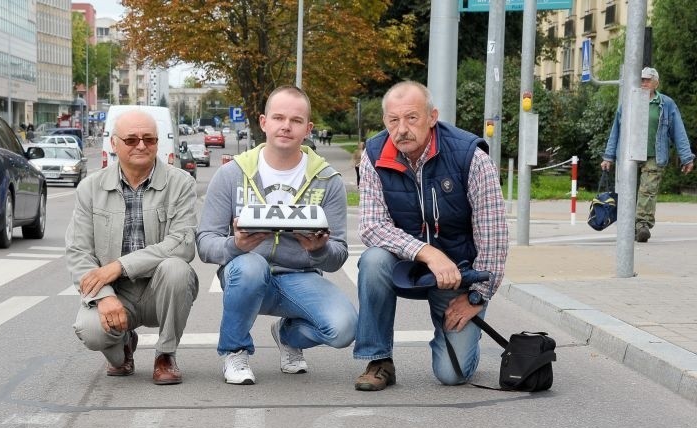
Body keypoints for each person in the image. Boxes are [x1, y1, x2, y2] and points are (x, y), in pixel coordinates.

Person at [353, 80, 508, 391]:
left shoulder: (470, 156)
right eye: (393, 120)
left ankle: (461, 339)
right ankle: (379, 359)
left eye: (412, 118)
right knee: (372, 261)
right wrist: (427, 252)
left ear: (432, 117)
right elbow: (371, 225)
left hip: (457, 272)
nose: (401, 130)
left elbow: (493, 237)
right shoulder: (373, 154)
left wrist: (476, 297)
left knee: (452, 375)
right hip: (405, 264)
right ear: (385, 121)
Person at [197, 85, 357, 385]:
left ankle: (287, 335)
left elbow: (339, 255)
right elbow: (205, 244)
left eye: (296, 120)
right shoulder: (232, 174)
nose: (286, 126)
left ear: (308, 128)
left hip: (301, 276)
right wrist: (236, 245)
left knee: (344, 328)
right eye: (279, 117)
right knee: (249, 266)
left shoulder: (327, 179)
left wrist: (319, 249)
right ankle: (235, 351)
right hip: (246, 275)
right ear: (263, 122)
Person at [65, 109, 199, 385]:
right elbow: (79, 252)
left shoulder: (181, 183)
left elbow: (183, 245)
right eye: (131, 139)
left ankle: (165, 355)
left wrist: (119, 266)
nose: (141, 145)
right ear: (114, 144)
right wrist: (103, 296)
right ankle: (123, 348)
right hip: (116, 292)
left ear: (158, 143)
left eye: (149, 139)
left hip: (159, 288)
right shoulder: (90, 188)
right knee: (89, 330)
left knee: (178, 269)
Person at [601, 67, 694, 243]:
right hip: (629, 154)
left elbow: (679, 132)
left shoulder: (666, 104)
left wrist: (686, 156)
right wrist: (608, 156)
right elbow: (617, 130)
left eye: (647, 80)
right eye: (641, 80)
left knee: (647, 191)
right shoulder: (629, 102)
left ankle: (642, 225)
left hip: (654, 156)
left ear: (656, 83)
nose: (643, 83)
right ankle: (628, 224)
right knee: (626, 190)